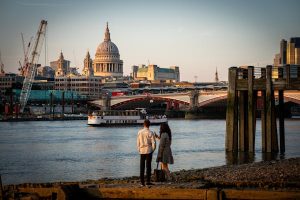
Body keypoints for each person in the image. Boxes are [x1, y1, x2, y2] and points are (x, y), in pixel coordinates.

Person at [137, 119, 156, 186]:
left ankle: (142, 182)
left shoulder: (139, 132)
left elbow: (138, 142)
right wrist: (153, 150)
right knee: (148, 166)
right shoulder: (151, 132)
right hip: (148, 150)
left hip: (142, 150)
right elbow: (153, 143)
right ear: (149, 125)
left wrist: (139, 149)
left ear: (143, 124)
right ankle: (148, 181)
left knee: (142, 167)